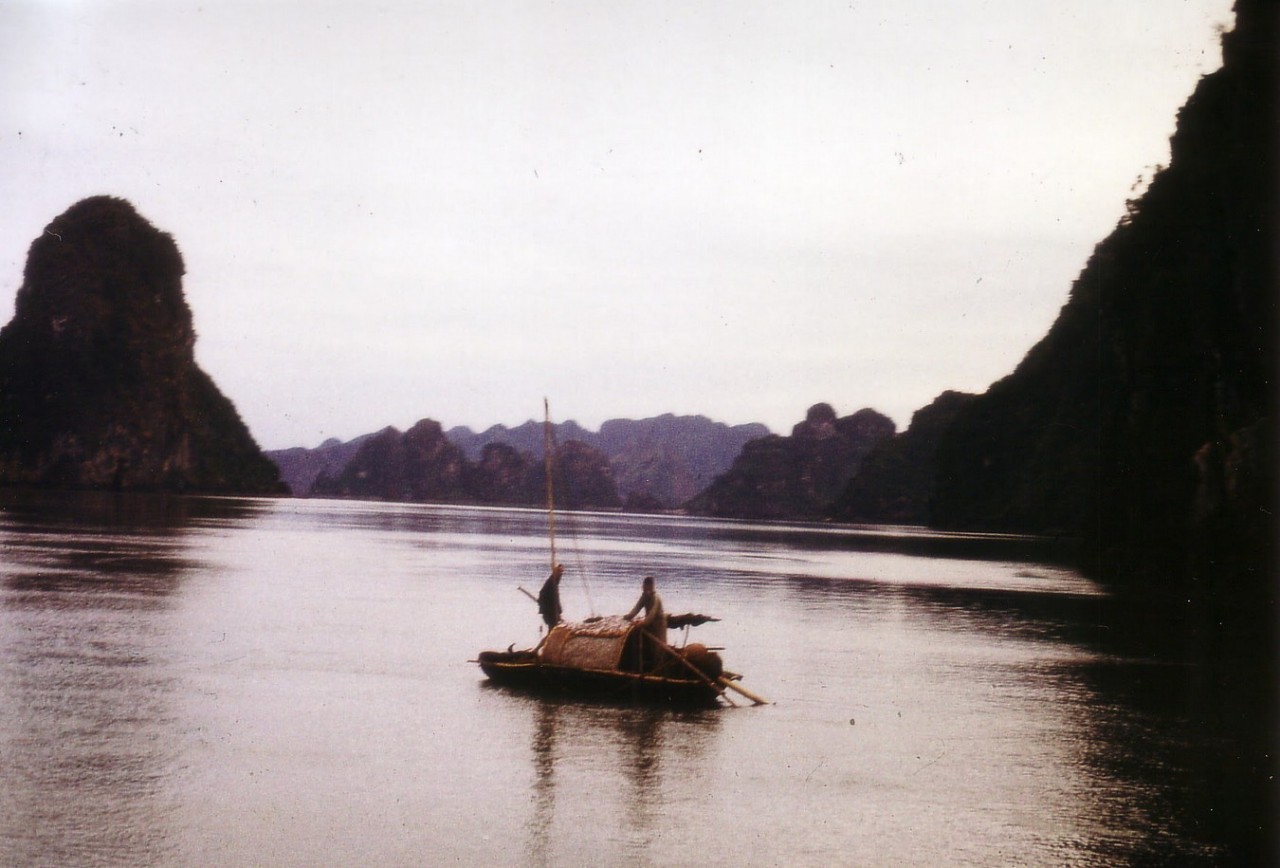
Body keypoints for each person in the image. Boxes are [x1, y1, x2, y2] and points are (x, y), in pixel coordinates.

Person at [625, 575, 667, 649]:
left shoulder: (655, 597)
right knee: (650, 646)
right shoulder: (645, 596)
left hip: (658, 624)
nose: (642, 587)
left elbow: (652, 614)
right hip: (650, 623)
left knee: (658, 647)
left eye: (644, 585)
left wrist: (643, 623)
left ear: (650, 586)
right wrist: (629, 616)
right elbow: (637, 607)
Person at [537, 563, 564, 629]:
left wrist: (559, 611)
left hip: (553, 612)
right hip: (550, 613)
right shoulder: (550, 583)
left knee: (554, 628)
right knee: (552, 628)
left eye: (561, 572)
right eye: (559, 572)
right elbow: (543, 595)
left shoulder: (555, 584)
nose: (561, 574)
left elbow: (556, 600)